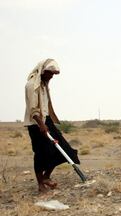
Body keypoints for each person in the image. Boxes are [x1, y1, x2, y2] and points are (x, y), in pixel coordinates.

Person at [24, 59, 80, 193]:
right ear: (42, 71)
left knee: (64, 149)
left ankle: (46, 177)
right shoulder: (32, 85)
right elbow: (33, 109)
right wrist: (41, 125)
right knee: (41, 153)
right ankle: (40, 184)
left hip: (46, 120)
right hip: (36, 123)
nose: (51, 77)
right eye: (49, 74)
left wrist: (47, 122)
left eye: (53, 75)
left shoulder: (44, 85)